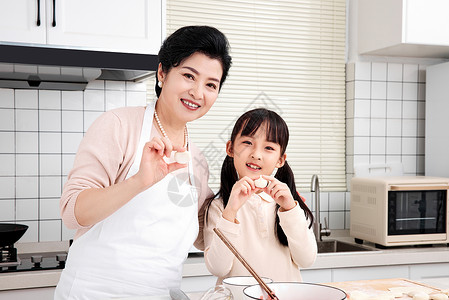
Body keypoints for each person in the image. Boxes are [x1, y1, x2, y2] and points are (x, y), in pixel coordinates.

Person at [54, 25, 232, 299]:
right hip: (95, 292)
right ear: (162, 73)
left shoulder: (196, 158)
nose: (198, 93)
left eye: (211, 84)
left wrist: (259, 207)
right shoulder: (119, 126)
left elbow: (203, 233)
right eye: (188, 76)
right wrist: (140, 181)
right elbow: (72, 212)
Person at [202, 108, 317, 285]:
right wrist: (230, 211)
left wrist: (290, 209)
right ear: (230, 148)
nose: (256, 154)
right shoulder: (220, 207)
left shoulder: (288, 205)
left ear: (280, 159)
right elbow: (218, 268)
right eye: (247, 142)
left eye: (269, 148)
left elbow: (307, 260)